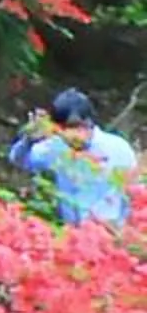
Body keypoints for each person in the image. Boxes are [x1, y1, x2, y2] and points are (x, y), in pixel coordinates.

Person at [9, 87, 138, 227]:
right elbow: (20, 160)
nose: (71, 133)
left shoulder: (118, 148)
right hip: (71, 233)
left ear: (89, 123)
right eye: (63, 128)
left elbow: (134, 193)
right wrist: (29, 139)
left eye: (75, 126)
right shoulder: (56, 147)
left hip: (109, 234)